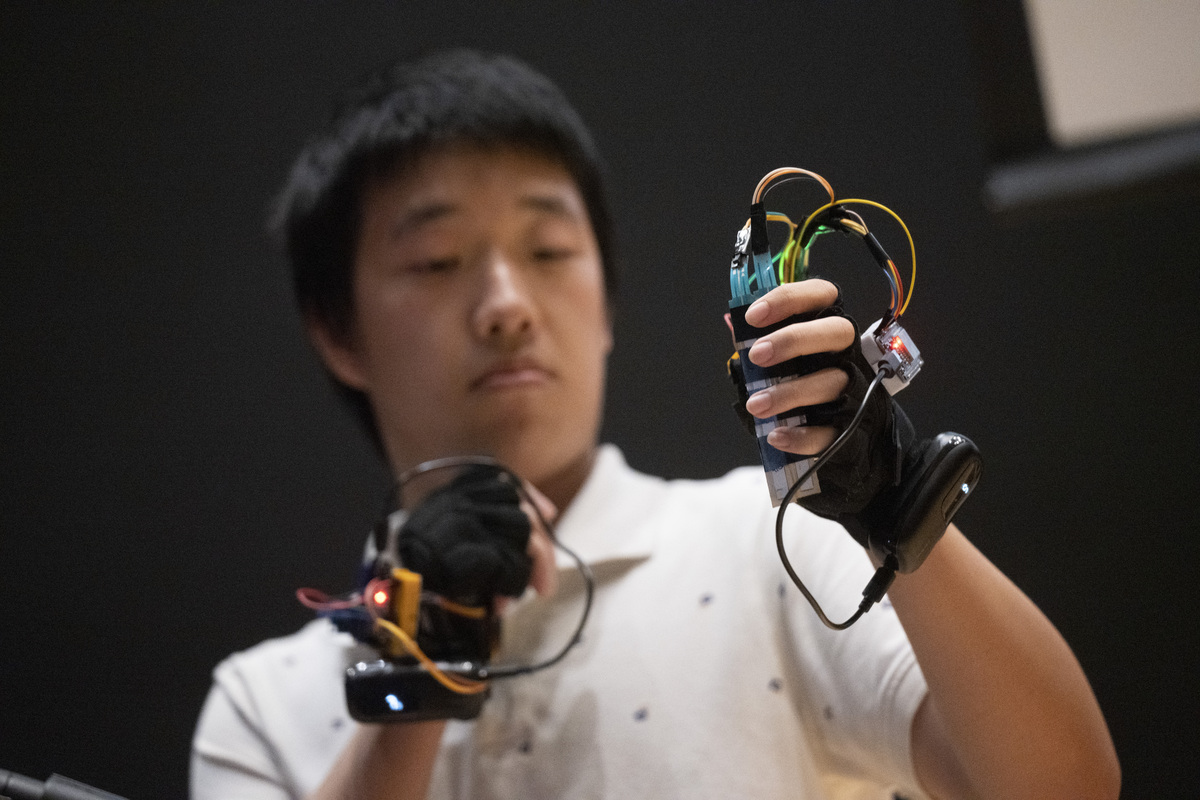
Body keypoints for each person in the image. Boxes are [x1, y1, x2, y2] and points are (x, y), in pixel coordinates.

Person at [190, 50, 1120, 799]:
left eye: (550, 249)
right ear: (336, 329)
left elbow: (1062, 783)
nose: (508, 304)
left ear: (604, 302)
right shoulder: (262, 704)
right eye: (436, 262)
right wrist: (420, 657)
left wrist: (894, 519)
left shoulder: (771, 546)